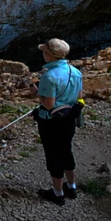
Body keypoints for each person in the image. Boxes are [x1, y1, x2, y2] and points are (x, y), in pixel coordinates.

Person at [31, 38, 83, 206]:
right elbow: (79, 96)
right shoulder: (75, 72)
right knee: (66, 150)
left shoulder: (49, 76)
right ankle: (72, 186)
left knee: (53, 155)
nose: (43, 54)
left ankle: (57, 193)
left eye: (44, 52)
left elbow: (48, 104)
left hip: (51, 122)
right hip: (69, 118)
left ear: (49, 55)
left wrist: (37, 93)